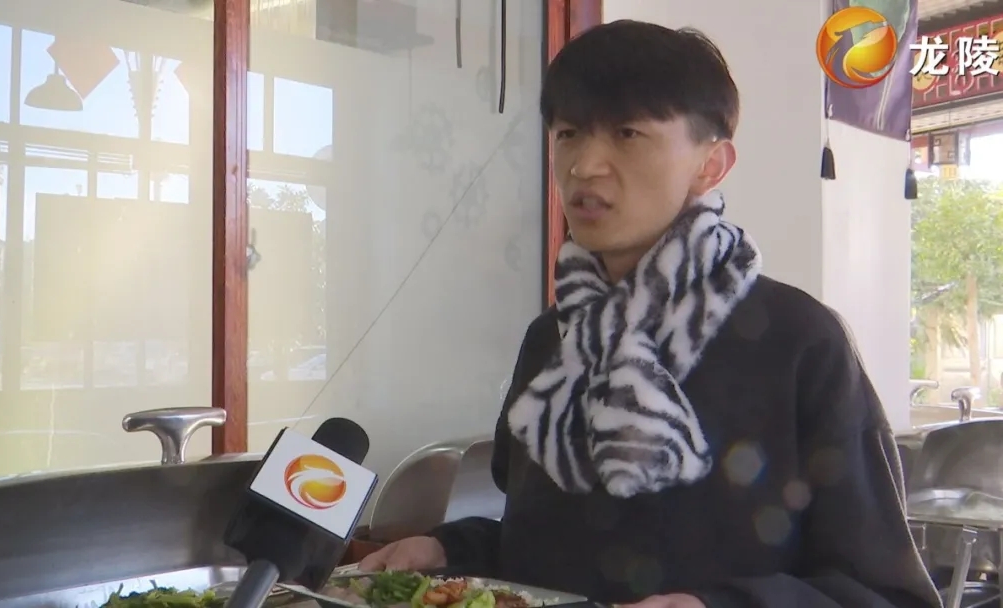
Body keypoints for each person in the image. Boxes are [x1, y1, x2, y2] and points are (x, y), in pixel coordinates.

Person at [359, 20, 941, 608]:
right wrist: (449, 550)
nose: (584, 166)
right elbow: (549, 550)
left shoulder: (800, 341)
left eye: (627, 133)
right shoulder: (553, 338)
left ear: (711, 165)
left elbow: (884, 594)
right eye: (568, 134)